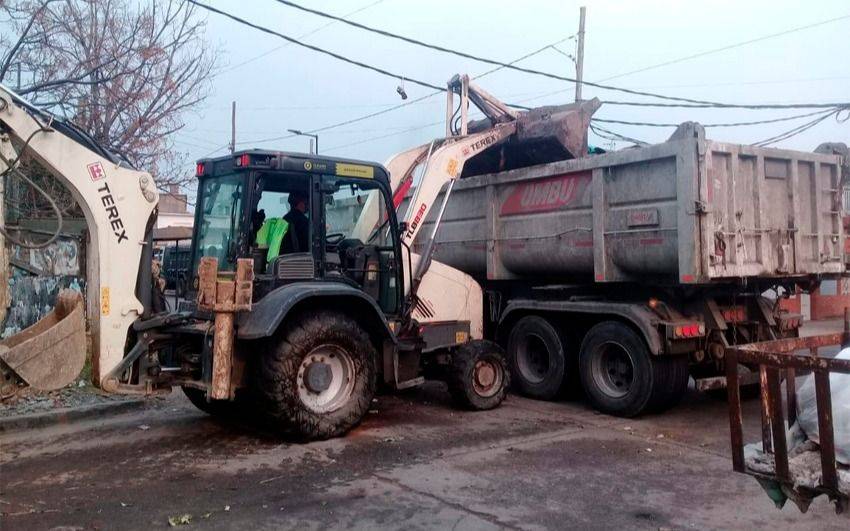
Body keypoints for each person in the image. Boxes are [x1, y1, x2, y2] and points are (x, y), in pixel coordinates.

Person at [255, 190, 310, 262]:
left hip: (284, 259)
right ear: (302, 203)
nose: (308, 205)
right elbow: (309, 246)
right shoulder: (303, 222)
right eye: (307, 202)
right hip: (298, 262)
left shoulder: (285, 219)